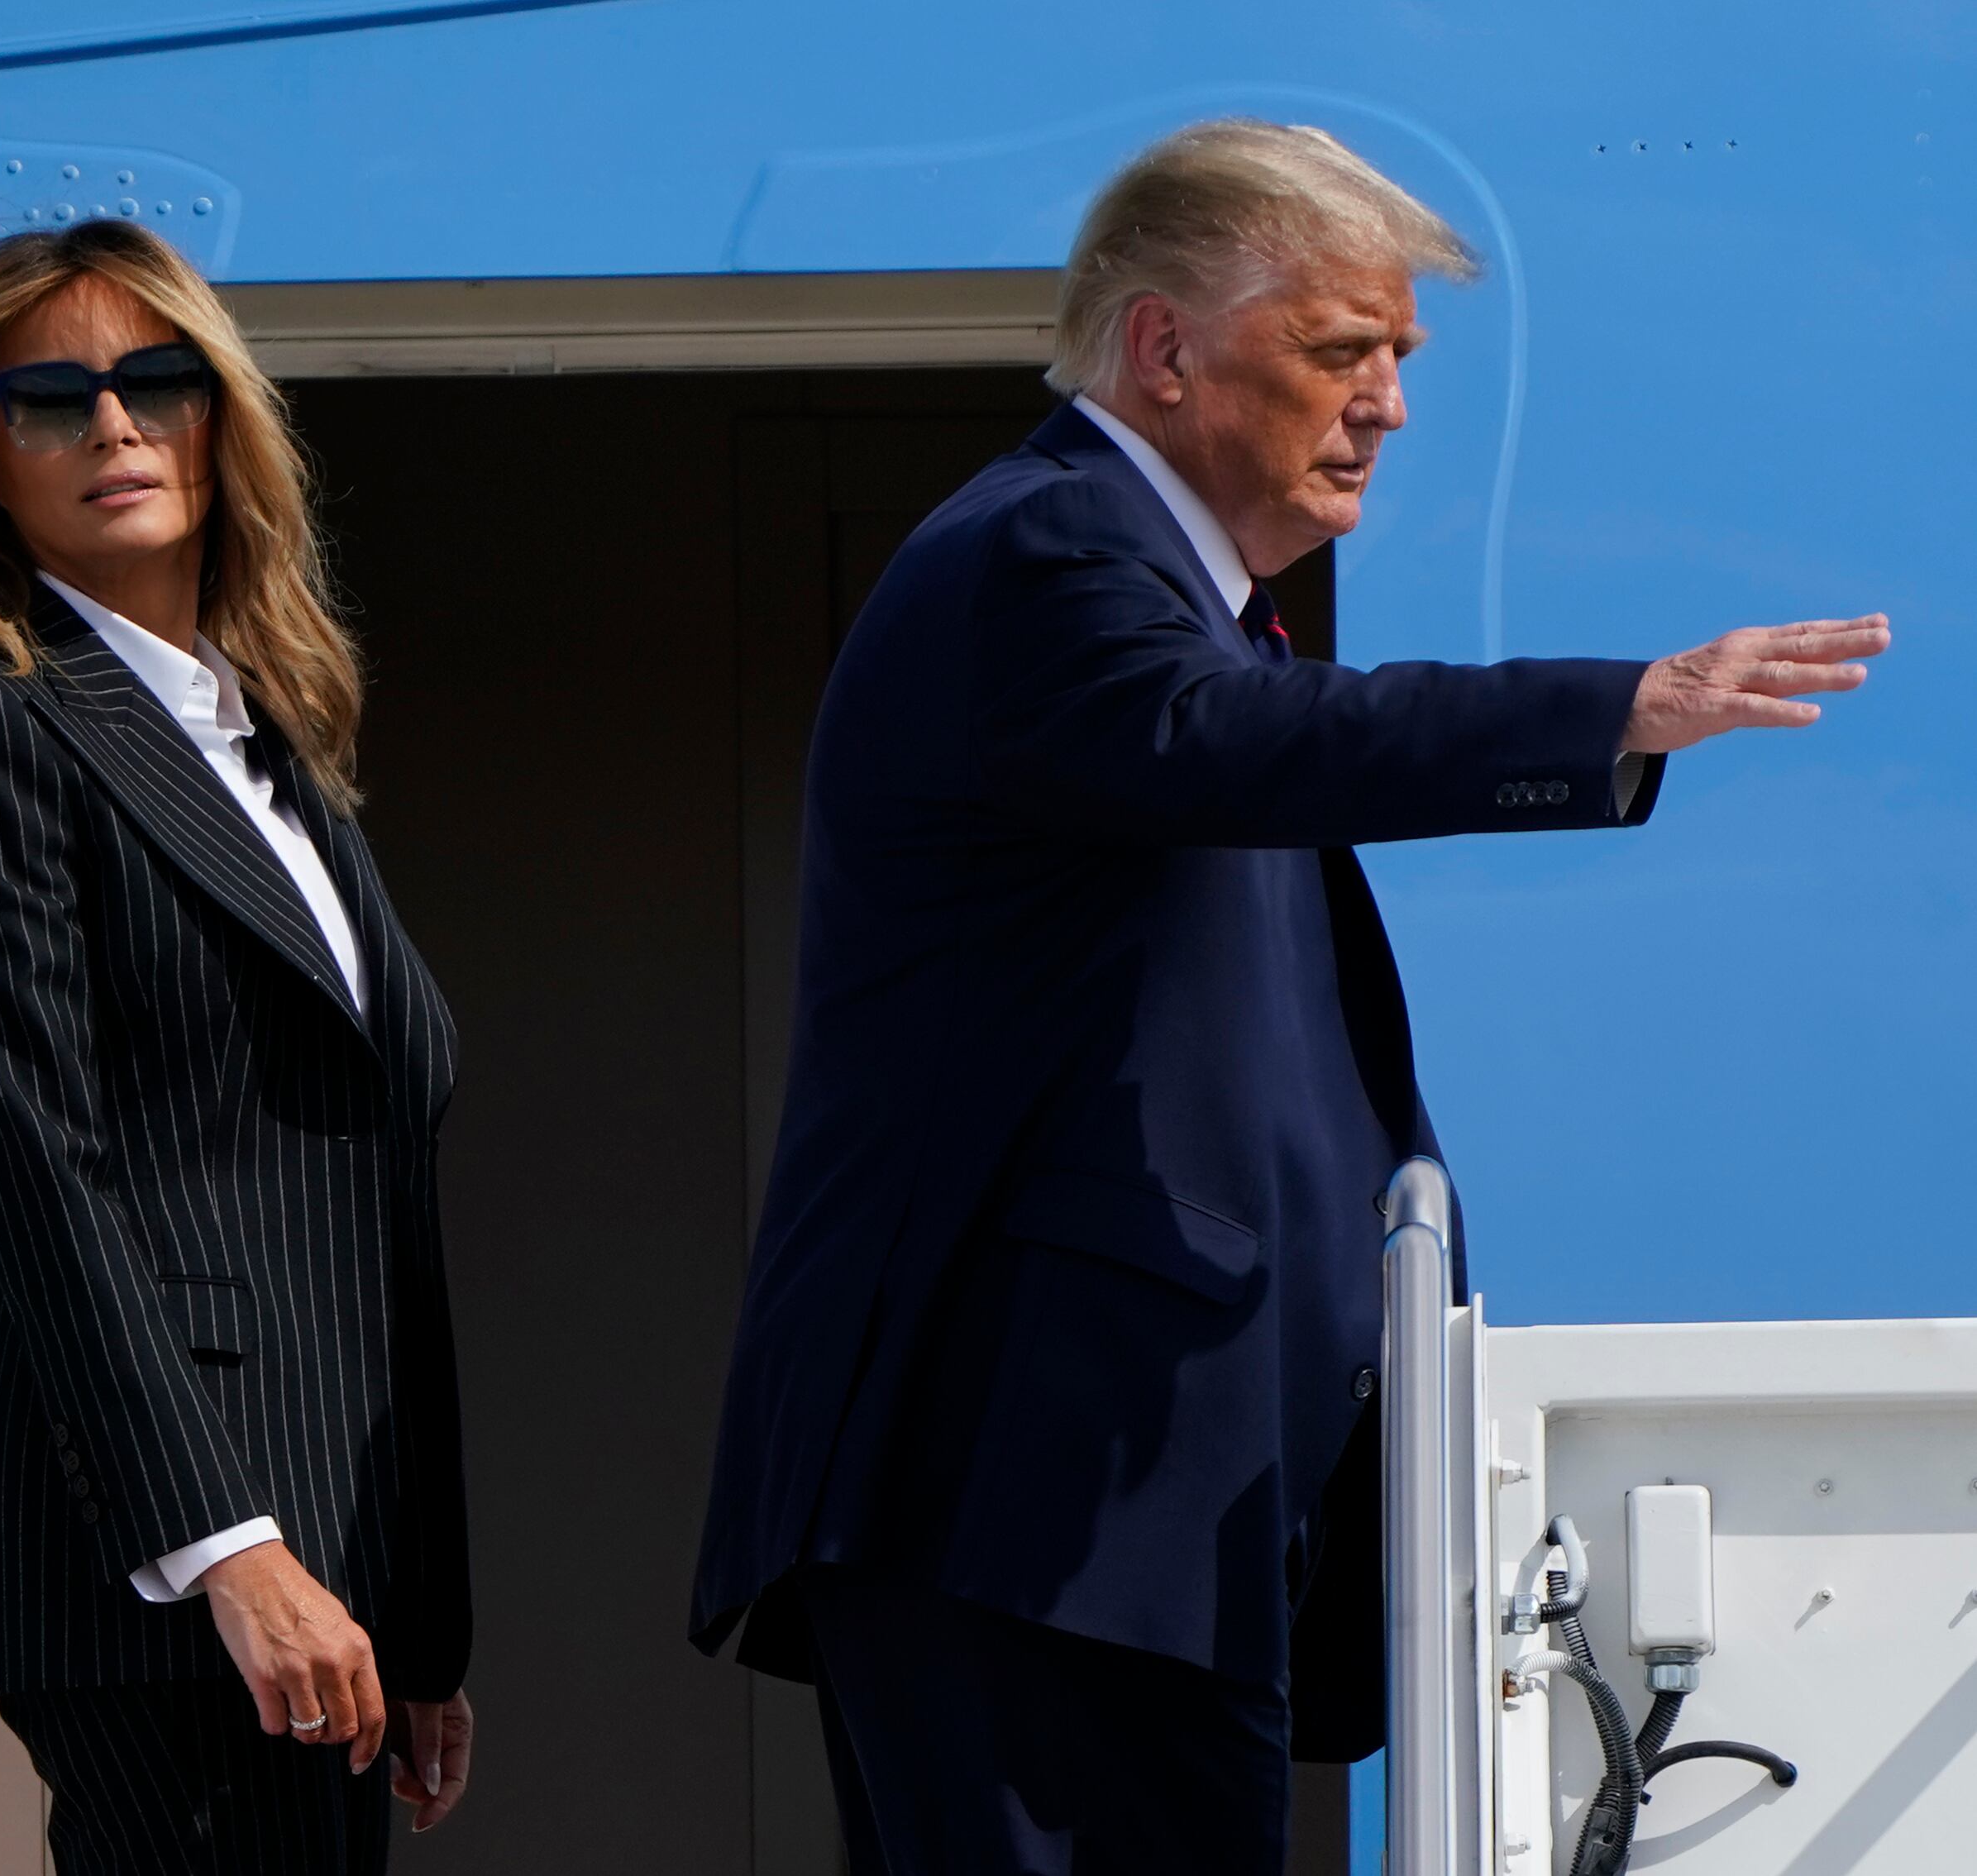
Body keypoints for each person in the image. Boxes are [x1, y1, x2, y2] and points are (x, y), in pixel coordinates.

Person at [690, 118, 1888, 1873]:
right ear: (1162, 349)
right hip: (1031, 1495)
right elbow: (1228, 741)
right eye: (1337, 349)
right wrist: (1610, 706)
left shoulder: (1178, 602)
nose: (1383, 405)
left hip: (1132, 1520)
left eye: (1398, 357)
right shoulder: (1045, 552)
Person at [0, 218, 475, 1873]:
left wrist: (419, 1608)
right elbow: (40, 1164)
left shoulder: (265, 743)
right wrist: (225, 1546)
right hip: (168, 1543)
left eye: (158, 383)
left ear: (219, 421)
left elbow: (363, 1204)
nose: (113, 426)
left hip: (330, 1534)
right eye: (50, 399)